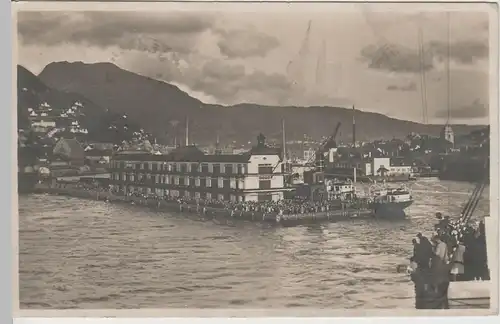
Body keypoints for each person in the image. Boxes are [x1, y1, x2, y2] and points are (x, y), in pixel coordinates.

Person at [431, 235, 451, 309]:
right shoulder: (445, 244)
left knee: (438, 278)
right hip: (444, 263)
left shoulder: (439, 245)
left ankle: (438, 295)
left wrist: (433, 250)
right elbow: (446, 255)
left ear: (437, 239)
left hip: (439, 262)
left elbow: (437, 254)